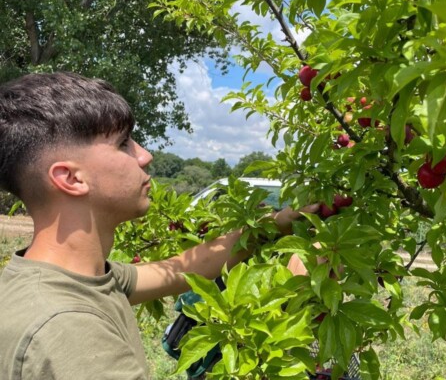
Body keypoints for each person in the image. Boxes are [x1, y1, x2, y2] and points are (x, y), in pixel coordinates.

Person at [0, 72, 317, 379]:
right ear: (71, 178)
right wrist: (292, 294)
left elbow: (183, 268)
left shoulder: (73, 278)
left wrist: (274, 225)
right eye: (123, 143)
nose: (145, 155)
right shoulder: (69, 331)